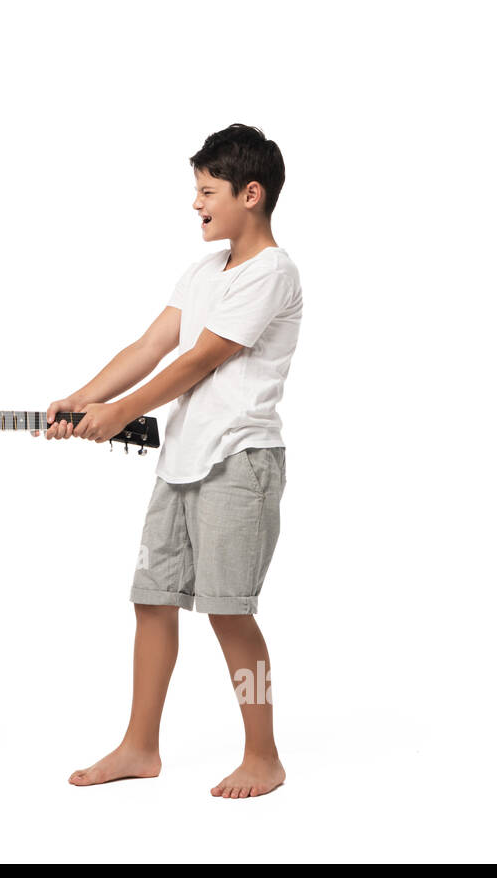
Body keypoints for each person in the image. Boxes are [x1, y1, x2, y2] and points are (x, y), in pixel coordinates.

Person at [36, 125, 302, 798]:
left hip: (240, 463)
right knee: (152, 601)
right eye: (195, 190)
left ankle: (263, 755)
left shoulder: (272, 271)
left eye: (207, 192)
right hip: (180, 461)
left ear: (251, 194)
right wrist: (84, 395)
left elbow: (198, 359)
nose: (195, 204)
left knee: (229, 611)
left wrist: (121, 414)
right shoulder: (203, 270)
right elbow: (151, 345)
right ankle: (138, 747)